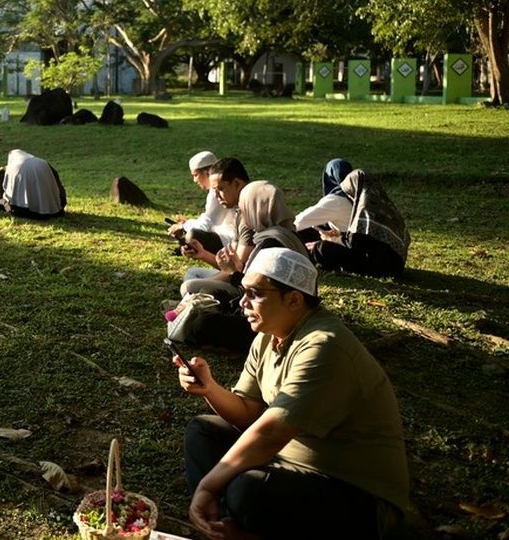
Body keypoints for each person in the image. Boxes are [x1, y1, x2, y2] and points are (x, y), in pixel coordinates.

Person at [175, 247, 409, 539]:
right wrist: (209, 388)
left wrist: (208, 486)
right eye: (243, 290)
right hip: (286, 464)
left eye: (254, 293)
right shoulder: (268, 336)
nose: (242, 302)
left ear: (294, 299)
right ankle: (225, 525)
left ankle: (234, 520)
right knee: (203, 430)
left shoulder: (324, 346)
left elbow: (270, 433)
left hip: (355, 493)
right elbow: (248, 411)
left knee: (249, 488)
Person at [179, 181, 308, 353]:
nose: (240, 214)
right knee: (214, 293)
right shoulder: (285, 234)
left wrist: (233, 272)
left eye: (242, 209)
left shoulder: (272, 244)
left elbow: (262, 294)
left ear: (256, 209)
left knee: (203, 324)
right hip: (268, 308)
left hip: (275, 322)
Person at [308, 169, 410, 278]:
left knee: (322, 248)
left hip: (381, 269)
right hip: (395, 266)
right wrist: (340, 237)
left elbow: (355, 246)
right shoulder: (386, 207)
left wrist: (330, 239)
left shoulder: (365, 210)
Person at [181, 158, 251, 277]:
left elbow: (239, 273)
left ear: (237, 184)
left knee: (190, 285)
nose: (217, 196)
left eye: (220, 189)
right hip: (239, 276)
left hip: (248, 285)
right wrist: (203, 254)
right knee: (192, 274)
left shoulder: (250, 218)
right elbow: (233, 267)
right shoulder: (238, 212)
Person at [169, 151, 237, 257]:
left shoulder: (218, 191)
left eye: (196, 175)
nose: (195, 180)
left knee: (193, 235)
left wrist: (184, 226)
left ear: (207, 173)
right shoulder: (215, 191)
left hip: (230, 240)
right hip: (224, 235)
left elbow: (206, 225)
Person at [293, 158, 354, 244]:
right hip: (354, 240)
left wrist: (280, 228)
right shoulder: (357, 194)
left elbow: (301, 220)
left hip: (347, 245)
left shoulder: (336, 200)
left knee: (301, 232)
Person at [2, 149, 66, 219]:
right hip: (53, 207)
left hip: (25, 209)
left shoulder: (12, 167)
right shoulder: (42, 162)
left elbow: (6, 188)